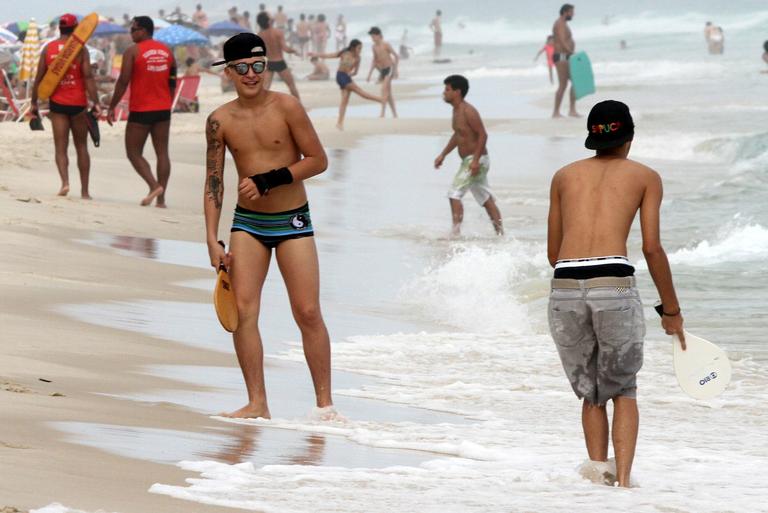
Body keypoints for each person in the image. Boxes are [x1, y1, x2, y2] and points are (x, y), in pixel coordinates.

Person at [546, 100, 685, 488]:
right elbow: (652, 248)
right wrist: (670, 310)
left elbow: (553, 253)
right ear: (630, 137)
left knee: (591, 391)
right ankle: (623, 484)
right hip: (614, 285)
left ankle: (598, 479)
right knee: (623, 387)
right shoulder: (645, 176)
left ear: (592, 138)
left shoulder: (563, 176)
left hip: (565, 287)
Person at [205, 33, 335, 420]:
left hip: (293, 220)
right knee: (244, 312)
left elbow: (318, 159)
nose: (251, 74)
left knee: (308, 311)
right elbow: (214, 182)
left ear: (266, 67)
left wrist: (270, 179)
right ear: (229, 72)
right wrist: (211, 238)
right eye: (242, 68)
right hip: (247, 225)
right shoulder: (219, 121)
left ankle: (325, 406)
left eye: (258, 66)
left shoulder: (288, 107)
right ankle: (258, 403)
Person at [30, 13, 101, 199]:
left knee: (60, 147)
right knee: (81, 148)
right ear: (77, 28)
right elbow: (88, 77)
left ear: (60, 28)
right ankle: (85, 192)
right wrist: (96, 102)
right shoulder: (80, 49)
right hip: (78, 104)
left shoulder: (48, 49)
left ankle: (65, 183)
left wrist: (33, 103)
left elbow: (39, 79)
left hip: (58, 105)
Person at [107, 16, 176, 208]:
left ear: (144, 30)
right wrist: (167, 102)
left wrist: (112, 106)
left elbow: (123, 81)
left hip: (141, 109)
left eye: (134, 29)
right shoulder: (167, 51)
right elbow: (172, 82)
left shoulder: (133, 51)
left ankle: (154, 186)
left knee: (133, 152)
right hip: (163, 109)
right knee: (162, 153)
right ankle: (161, 200)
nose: (131, 33)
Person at [434, 75, 502, 236]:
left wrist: (476, 161)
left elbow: (483, 135)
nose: (444, 93)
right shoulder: (456, 111)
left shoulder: (468, 111)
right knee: (485, 198)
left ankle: (455, 233)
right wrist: (443, 154)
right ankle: (500, 234)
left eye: (447, 89)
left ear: (457, 92)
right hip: (471, 160)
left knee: (454, 193)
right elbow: (458, 135)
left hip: (475, 160)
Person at [312, 40, 386, 130]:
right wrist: (316, 54)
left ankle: (339, 123)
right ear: (353, 47)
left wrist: (351, 74)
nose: (360, 50)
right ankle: (381, 100)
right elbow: (330, 55)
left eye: (361, 48)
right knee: (360, 92)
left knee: (344, 101)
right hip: (340, 76)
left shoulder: (358, 58)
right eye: (359, 48)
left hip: (347, 77)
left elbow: (355, 72)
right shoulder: (345, 53)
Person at [256, 12, 301, 100]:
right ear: (269, 21)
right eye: (270, 17)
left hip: (269, 63)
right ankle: (300, 106)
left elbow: (261, 51)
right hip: (280, 62)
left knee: (265, 88)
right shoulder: (277, 32)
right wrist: (294, 50)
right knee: (291, 86)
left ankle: (258, 108)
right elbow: (285, 48)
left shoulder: (260, 35)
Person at [552, 4, 579, 118]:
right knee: (563, 85)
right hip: (562, 57)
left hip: (566, 57)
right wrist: (571, 52)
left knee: (575, 82)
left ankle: (572, 110)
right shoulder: (560, 24)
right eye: (571, 12)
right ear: (565, 12)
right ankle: (556, 112)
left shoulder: (563, 24)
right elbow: (562, 41)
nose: (573, 14)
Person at [366, 27, 398, 118]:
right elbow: (374, 61)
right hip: (383, 70)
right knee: (388, 93)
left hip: (390, 68)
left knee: (383, 89)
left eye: (373, 36)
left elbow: (396, 56)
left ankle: (382, 113)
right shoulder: (374, 47)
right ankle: (395, 114)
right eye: (371, 36)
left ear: (379, 35)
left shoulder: (386, 44)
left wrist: (396, 70)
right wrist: (369, 75)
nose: (372, 38)